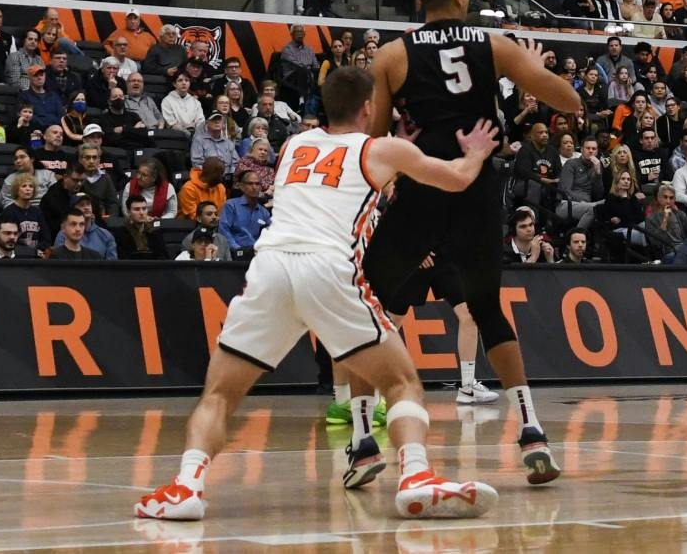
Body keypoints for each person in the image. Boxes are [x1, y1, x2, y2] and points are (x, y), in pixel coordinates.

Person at [135, 66, 500, 523]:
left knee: (219, 395)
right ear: (369, 107)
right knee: (402, 382)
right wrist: (476, 153)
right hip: (326, 267)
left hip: (269, 267)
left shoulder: (292, 145)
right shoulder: (382, 148)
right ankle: (416, 476)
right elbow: (456, 178)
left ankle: (187, 485)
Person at [354, 0, 583, 486]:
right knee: (486, 307)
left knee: (365, 305)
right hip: (477, 186)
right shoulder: (494, 44)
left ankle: (363, 441)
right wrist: (535, 70)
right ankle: (532, 431)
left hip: (421, 187)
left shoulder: (390, 55)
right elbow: (570, 102)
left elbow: (374, 138)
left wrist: (403, 138)